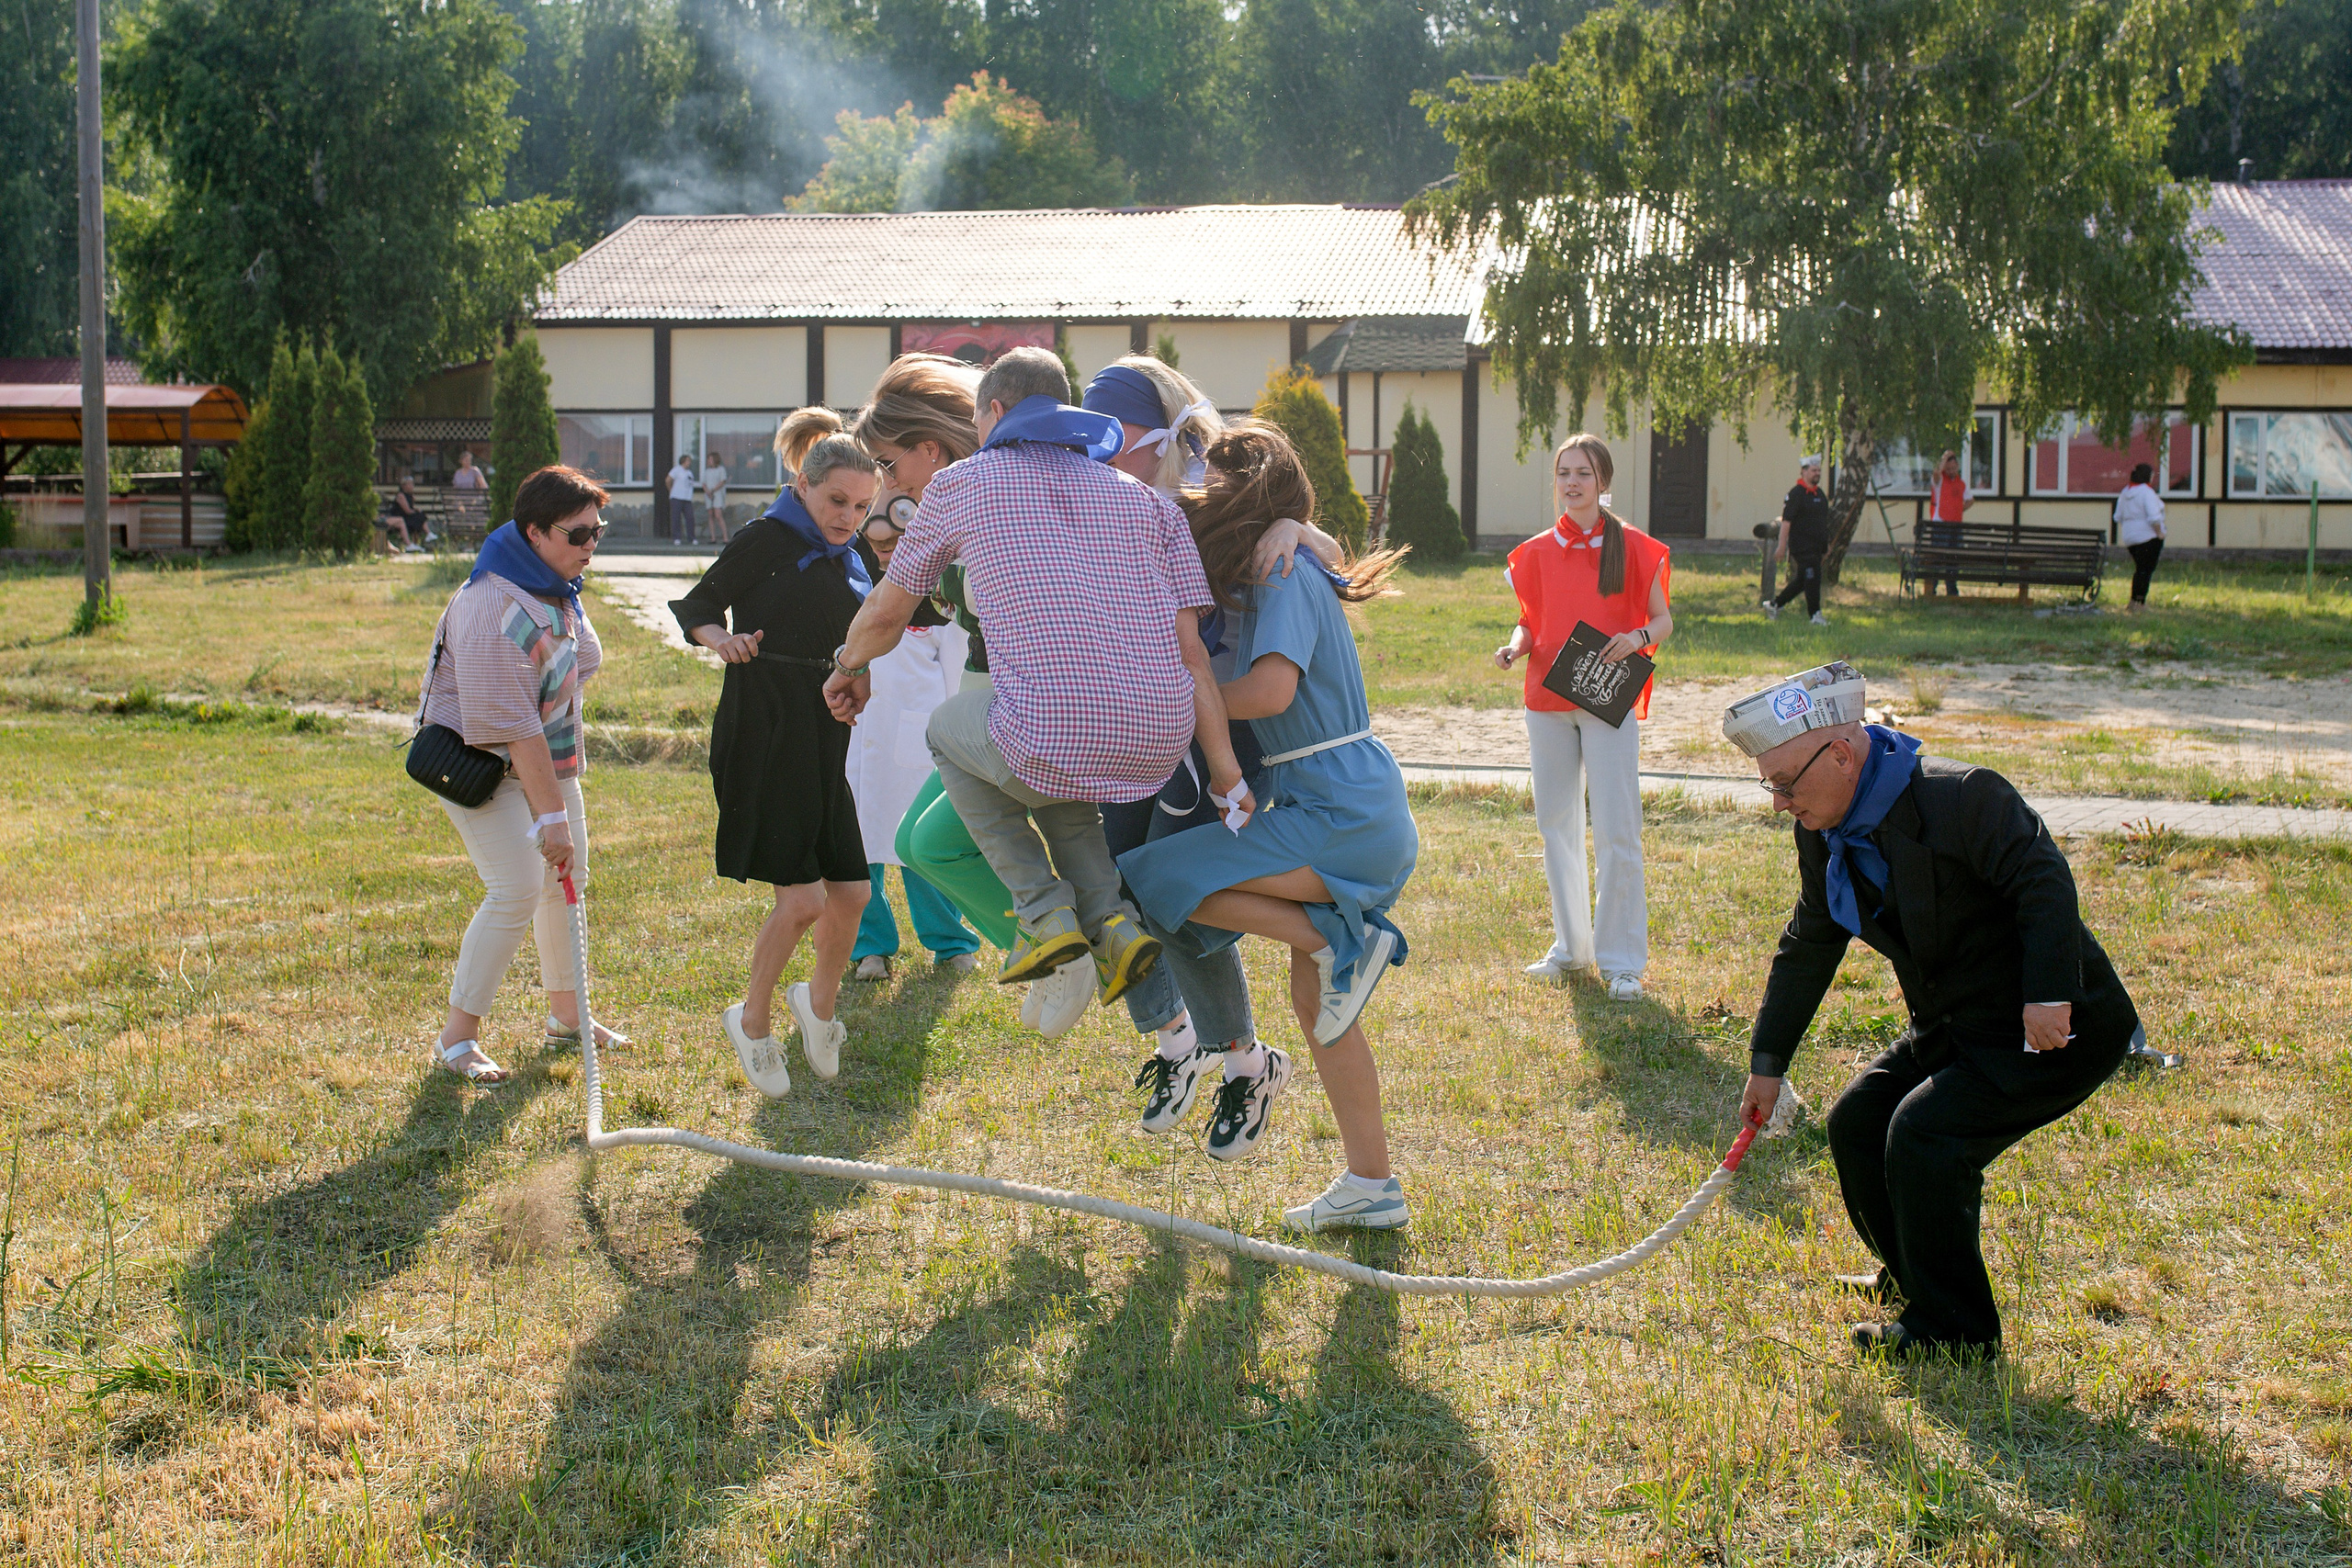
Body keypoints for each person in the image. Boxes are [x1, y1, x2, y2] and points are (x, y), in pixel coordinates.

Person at [1724, 661, 2138, 1362]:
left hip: (2050, 1030)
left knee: (1925, 1136)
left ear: (1844, 754)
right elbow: (1811, 938)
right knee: (1857, 1120)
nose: (1778, 801)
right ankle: (1916, 1278)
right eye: (1770, 783)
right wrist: (1769, 1063)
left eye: (1786, 782)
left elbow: (2042, 876)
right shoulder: (1823, 825)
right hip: (1954, 1024)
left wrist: (2048, 991)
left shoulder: (1961, 796)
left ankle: (1957, 1329)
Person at [826, 346, 1248, 1017]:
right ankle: (1110, 923)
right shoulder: (1145, 502)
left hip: (1048, 728)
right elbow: (1192, 652)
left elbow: (886, 611)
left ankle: (1045, 917)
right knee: (1055, 772)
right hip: (1156, 741)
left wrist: (847, 668)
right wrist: (1228, 775)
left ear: (994, 411)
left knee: (950, 731)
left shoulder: (962, 485)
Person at [1119, 422, 1418, 1228]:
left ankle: (1337, 938)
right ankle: (1373, 1184)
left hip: (1338, 811)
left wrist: (1176, 704)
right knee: (1316, 1001)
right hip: (1342, 804)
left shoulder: (1285, 573)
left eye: (1211, 483)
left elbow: (1273, 692)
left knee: (1155, 876)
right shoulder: (1283, 558)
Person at [670, 436, 882, 1097]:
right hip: (764, 724)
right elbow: (698, 606)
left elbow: (861, 634)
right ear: (803, 485)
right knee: (803, 899)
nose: (847, 516)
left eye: (861, 505)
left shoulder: (853, 557)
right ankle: (752, 1021)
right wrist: (723, 640)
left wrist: (858, 675)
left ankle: (819, 1010)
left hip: (823, 726)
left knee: (852, 893)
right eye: (836, 500)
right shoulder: (766, 539)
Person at [417, 466, 625, 1085]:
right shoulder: (491, 604)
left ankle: (568, 1017)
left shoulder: (557, 584)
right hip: (482, 766)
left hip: (544, 762)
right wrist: (552, 817)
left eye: (598, 531)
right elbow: (513, 724)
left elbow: (565, 677)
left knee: (568, 880)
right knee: (516, 886)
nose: (590, 545)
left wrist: (557, 801)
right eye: (578, 533)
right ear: (535, 532)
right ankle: (456, 1038)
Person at [1495, 434, 1673, 1001]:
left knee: (1619, 828)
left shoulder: (1639, 549)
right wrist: (1515, 645)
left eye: (1584, 473)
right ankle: (1571, 950)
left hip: (1607, 697)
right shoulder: (1534, 553)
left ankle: (1622, 963)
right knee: (1556, 826)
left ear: (1602, 481)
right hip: (1547, 700)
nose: (1572, 482)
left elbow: (1663, 620)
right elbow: (1529, 620)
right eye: (1564, 472)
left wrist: (1637, 638)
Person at [843, 494, 983, 979]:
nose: (884, 552)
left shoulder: (941, 602)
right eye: (875, 544)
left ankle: (950, 941)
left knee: (918, 846)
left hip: (922, 744)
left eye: (893, 543)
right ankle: (871, 946)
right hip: (864, 737)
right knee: (862, 844)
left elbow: (957, 676)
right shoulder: (858, 583)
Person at [1766, 456, 1830, 624]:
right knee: (1812, 577)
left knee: (1803, 581)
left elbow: (1823, 522)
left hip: (1817, 547)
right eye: (1813, 470)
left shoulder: (1820, 495)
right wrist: (1781, 546)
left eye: (1819, 471)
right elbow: (1786, 523)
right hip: (1802, 547)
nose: (1817, 473)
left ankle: (1775, 605)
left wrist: (1826, 545)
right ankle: (1815, 615)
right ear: (1804, 472)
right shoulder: (1796, 494)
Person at [2114, 462, 2166, 612]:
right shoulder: (2146, 492)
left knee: (2140, 569)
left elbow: (2118, 516)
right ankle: (2139, 602)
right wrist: (2160, 534)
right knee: (2146, 571)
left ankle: (2134, 601)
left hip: (2130, 538)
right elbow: (2154, 517)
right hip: (2148, 537)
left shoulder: (2125, 492)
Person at [1926, 449, 1971, 597]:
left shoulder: (1961, 483)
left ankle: (1952, 589)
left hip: (1956, 525)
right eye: (1948, 468)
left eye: (1954, 468)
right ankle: (1932, 588)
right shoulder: (1939, 481)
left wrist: (1959, 509)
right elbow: (1936, 474)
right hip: (1941, 525)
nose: (1951, 471)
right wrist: (1943, 458)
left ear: (1957, 466)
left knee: (1953, 559)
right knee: (1938, 558)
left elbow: (1970, 500)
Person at [382, 477, 426, 555]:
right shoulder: (401, 495)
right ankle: (411, 544)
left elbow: (411, 509)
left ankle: (413, 544)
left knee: (419, 517)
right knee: (415, 518)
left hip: (405, 518)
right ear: (404, 485)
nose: (412, 486)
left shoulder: (411, 496)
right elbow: (408, 511)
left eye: (413, 484)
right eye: (410, 484)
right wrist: (416, 511)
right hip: (397, 516)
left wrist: (416, 510)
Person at [667, 452, 698, 545]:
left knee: (690, 518)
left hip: (687, 498)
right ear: (683, 461)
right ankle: (677, 538)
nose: (689, 463)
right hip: (677, 497)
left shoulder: (689, 472)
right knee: (676, 518)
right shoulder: (677, 470)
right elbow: (668, 480)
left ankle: (691, 537)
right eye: (688, 461)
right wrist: (671, 490)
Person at [701, 453, 731, 544]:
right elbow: (703, 483)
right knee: (710, 515)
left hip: (717, 494)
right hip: (708, 495)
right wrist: (707, 491)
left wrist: (713, 490)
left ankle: (725, 537)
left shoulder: (721, 469)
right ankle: (713, 538)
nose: (708, 461)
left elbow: (722, 481)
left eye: (710, 459)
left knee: (718, 515)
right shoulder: (707, 471)